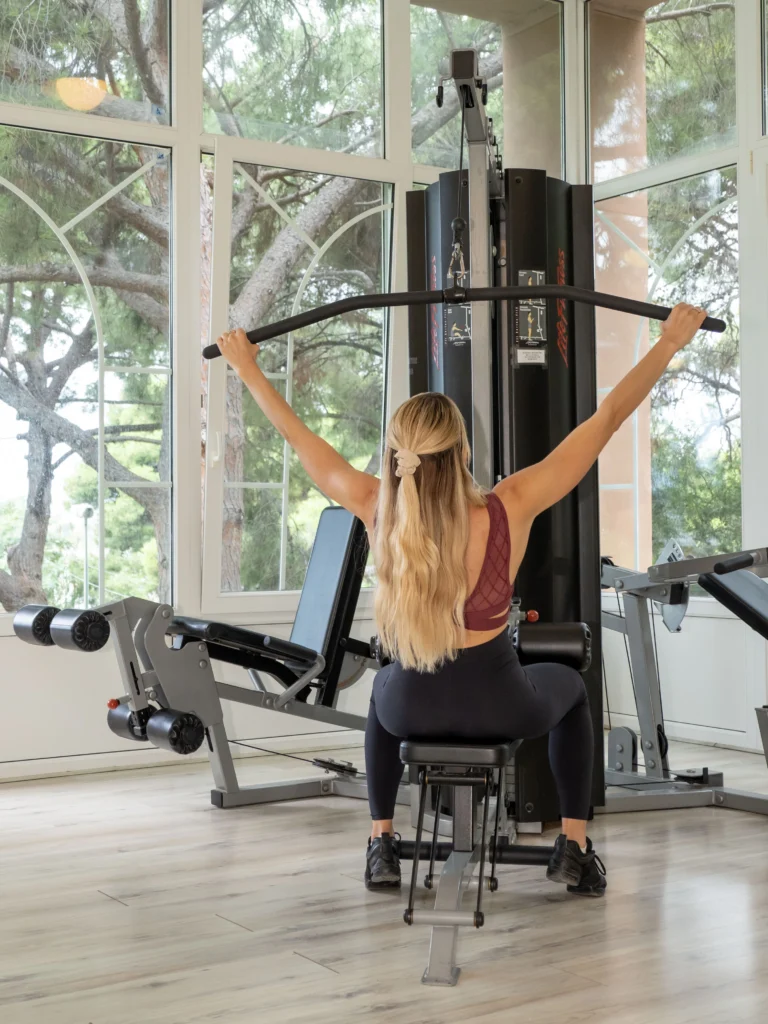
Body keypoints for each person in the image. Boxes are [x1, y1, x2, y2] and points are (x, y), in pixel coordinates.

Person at [217, 302, 708, 900]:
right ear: (462, 450)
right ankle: (574, 848)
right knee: (572, 688)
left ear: (400, 453)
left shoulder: (377, 506)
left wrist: (246, 369)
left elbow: (300, 439)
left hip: (410, 712)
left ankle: (382, 843)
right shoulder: (510, 505)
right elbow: (604, 421)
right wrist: (669, 343)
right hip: (501, 706)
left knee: (383, 688)